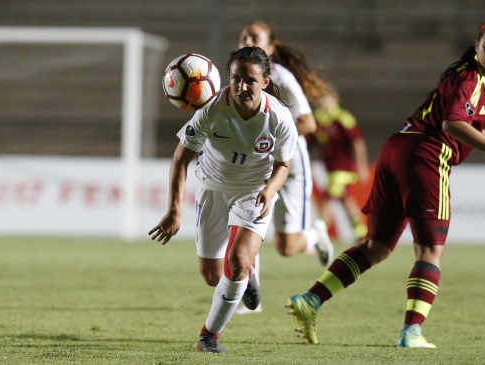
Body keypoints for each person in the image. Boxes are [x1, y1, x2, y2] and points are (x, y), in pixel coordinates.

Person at [287, 18, 485, 348]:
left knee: (376, 247)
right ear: (477, 46)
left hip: (397, 149)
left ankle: (310, 300)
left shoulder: (472, 80)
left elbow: (457, 120)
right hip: (425, 157)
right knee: (430, 250)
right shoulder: (472, 78)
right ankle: (411, 332)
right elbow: (452, 123)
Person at [148, 47, 298, 353]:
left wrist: (269, 191)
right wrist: (174, 211)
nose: (241, 86)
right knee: (212, 276)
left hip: (253, 192)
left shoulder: (280, 118)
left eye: (250, 80)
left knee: (237, 263)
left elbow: (284, 165)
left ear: (265, 81)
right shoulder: (212, 109)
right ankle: (248, 275)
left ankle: (208, 337)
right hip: (212, 189)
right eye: (235, 78)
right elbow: (181, 159)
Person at [235, 20, 335, 313]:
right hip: (256, 165)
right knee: (249, 221)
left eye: (254, 37)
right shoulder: (237, 77)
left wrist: (268, 136)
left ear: (270, 47)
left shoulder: (281, 77)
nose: (247, 41)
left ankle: (315, 234)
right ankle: (247, 295)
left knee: (286, 247)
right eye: (243, 37)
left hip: (290, 165)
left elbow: (308, 122)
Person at [311, 93, 370, 240]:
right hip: (330, 168)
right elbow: (308, 141)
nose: (323, 101)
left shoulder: (343, 118)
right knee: (346, 199)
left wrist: (361, 166)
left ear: (336, 100)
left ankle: (319, 235)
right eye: (320, 98)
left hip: (343, 168)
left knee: (327, 198)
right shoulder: (317, 119)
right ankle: (362, 234)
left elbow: (357, 142)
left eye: (326, 98)